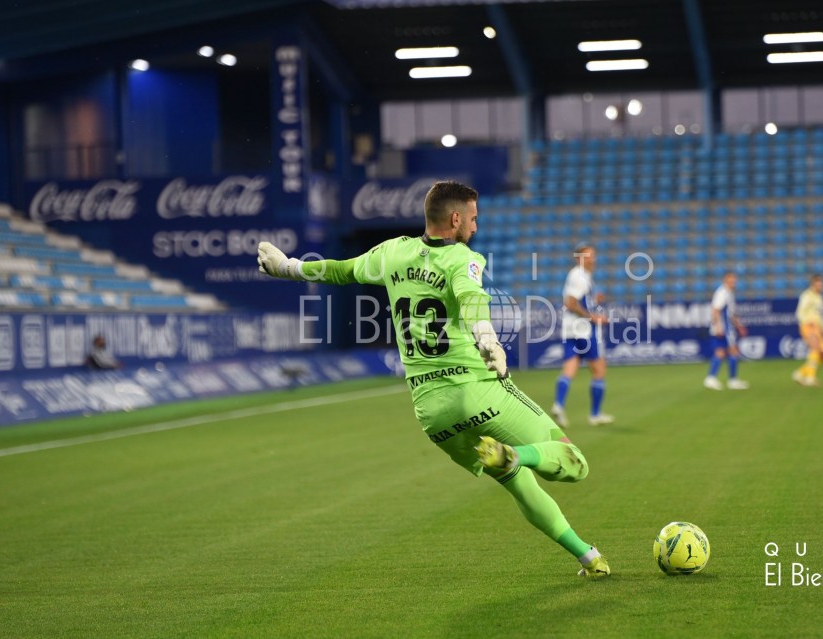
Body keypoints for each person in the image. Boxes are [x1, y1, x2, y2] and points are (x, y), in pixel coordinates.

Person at [256, 180, 610, 578]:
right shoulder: (463, 258)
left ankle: (588, 558)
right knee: (572, 462)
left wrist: (287, 267)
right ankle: (517, 453)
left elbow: (341, 271)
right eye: (472, 219)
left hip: (431, 411)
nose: (475, 227)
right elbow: (470, 295)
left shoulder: (392, 252)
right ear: (455, 218)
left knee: (515, 483)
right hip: (475, 390)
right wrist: (487, 337)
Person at [551, 243, 614, 427]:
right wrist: (592, 317)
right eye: (588, 256)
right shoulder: (579, 276)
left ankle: (558, 404)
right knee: (599, 369)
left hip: (570, 329)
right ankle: (595, 415)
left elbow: (578, 300)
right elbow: (570, 303)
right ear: (579, 258)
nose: (592, 259)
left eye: (593, 255)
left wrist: (595, 300)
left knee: (570, 368)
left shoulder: (581, 276)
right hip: (583, 330)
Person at [703, 272, 749, 390]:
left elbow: (731, 314)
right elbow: (716, 310)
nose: (733, 282)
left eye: (734, 280)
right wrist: (718, 326)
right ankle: (730, 380)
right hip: (724, 328)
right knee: (732, 352)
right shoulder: (722, 293)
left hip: (727, 327)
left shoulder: (729, 293)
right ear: (725, 280)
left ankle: (713, 378)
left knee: (721, 353)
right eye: (731, 280)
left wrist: (739, 326)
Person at [792, 274, 823, 387]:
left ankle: (800, 373)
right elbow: (800, 312)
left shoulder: (819, 298)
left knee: (822, 355)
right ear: (813, 284)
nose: (820, 286)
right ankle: (810, 378)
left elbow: (819, 316)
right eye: (818, 284)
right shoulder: (807, 296)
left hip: (816, 327)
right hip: (808, 326)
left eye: (821, 284)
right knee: (815, 349)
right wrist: (806, 322)